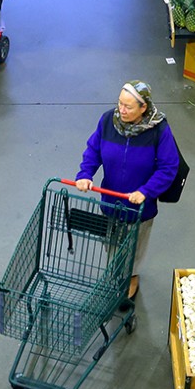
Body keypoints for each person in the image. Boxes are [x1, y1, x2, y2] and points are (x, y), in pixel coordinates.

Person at [75, 82, 181, 302]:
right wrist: (85, 174)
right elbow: (94, 150)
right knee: (112, 241)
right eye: (120, 104)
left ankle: (132, 276)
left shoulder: (158, 130)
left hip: (140, 206)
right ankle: (117, 272)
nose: (121, 110)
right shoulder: (107, 121)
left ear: (143, 108)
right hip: (111, 200)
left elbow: (169, 166)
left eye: (129, 107)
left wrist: (147, 191)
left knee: (135, 245)